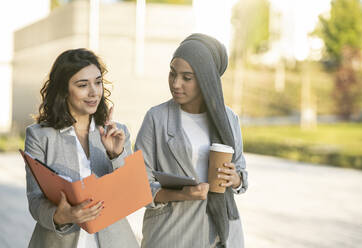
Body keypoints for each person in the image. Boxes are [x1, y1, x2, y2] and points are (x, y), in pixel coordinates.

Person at [135, 33, 248, 248]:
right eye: (172, 73)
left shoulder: (228, 119)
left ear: (206, 79)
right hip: (172, 233)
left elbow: (241, 172)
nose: (176, 83)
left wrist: (235, 179)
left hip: (221, 236)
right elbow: (138, 186)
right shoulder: (156, 118)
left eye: (187, 77)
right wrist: (182, 194)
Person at [24, 48, 139, 248]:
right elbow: (35, 200)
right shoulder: (40, 136)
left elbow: (131, 193)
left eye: (98, 82)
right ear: (63, 90)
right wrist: (62, 216)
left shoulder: (117, 132)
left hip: (114, 241)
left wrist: (116, 154)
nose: (94, 92)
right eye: (82, 85)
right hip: (58, 241)